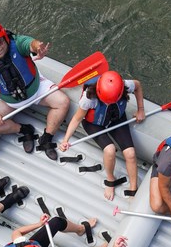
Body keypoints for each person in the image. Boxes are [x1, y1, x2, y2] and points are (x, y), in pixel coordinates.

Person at [0, 22, 70, 160]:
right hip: (7, 99)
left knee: (63, 102)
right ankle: (24, 130)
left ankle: (47, 138)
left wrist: (38, 48)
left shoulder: (17, 43)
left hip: (36, 89)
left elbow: (31, 43)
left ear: (5, 38)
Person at [59, 70, 145, 200]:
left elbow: (137, 85)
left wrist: (141, 110)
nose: (108, 104)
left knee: (131, 154)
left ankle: (133, 188)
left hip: (116, 118)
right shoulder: (88, 98)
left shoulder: (124, 85)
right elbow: (77, 119)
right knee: (110, 150)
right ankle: (110, 180)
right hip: (94, 123)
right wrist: (66, 139)